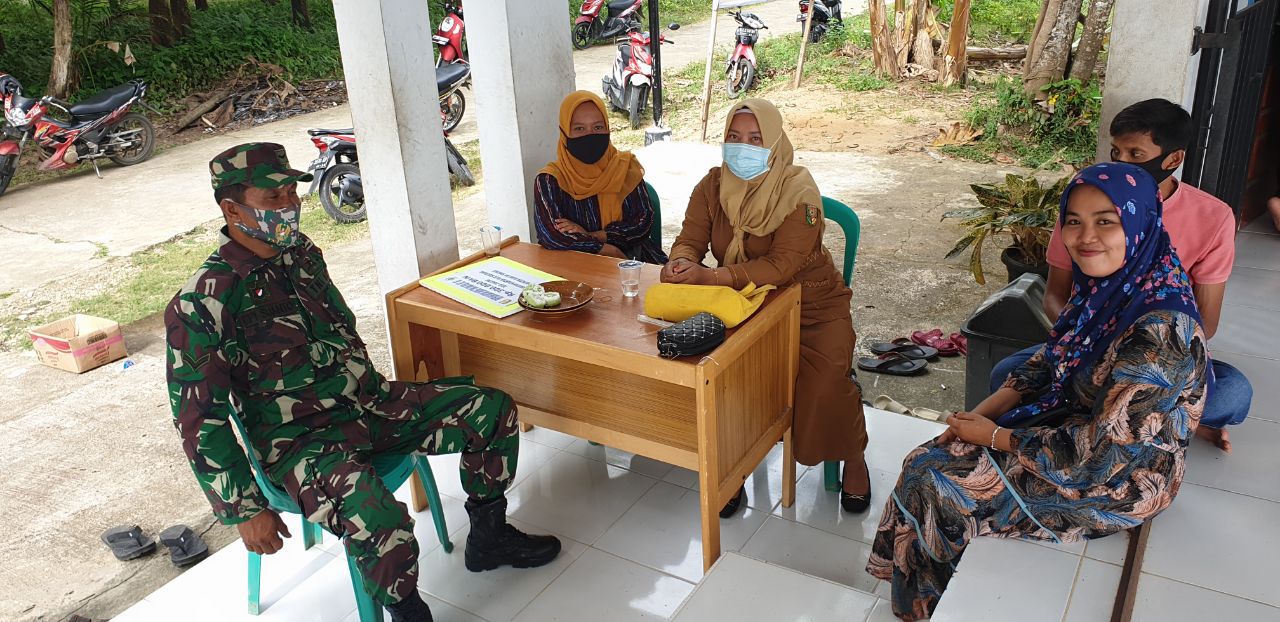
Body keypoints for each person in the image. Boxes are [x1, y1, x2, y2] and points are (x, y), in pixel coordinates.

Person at [166, 143, 561, 622]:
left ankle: (489, 537)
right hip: (303, 444)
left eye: (292, 192)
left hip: (369, 406)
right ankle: (407, 611)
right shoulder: (205, 299)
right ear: (231, 208)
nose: (290, 206)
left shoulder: (302, 256)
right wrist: (242, 508)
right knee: (379, 518)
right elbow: (197, 417)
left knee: (491, 409)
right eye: (273, 199)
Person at [869, 163, 1211, 622]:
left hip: (1122, 479)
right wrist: (979, 415)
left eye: (1106, 220)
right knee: (925, 457)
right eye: (1074, 220)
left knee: (939, 482)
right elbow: (1051, 358)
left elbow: (1098, 458)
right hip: (1076, 425)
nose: (1085, 236)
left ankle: (925, 607)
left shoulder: (1161, 333)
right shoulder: (1113, 286)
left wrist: (994, 436)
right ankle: (922, 594)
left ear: (1139, 222)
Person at [989, 98, 1250, 452]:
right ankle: (1139, 416)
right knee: (1008, 372)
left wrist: (1139, 361)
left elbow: (1205, 322)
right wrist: (1087, 345)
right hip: (1086, 340)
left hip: (1156, 347)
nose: (1122, 163)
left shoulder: (1213, 218)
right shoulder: (1086, 205)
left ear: (1173, 159)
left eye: (1135, 154)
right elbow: (1056, 295)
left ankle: (1129, 412)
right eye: (1116, 152)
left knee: (1232, 393)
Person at [661, 99, 870, 516]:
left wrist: (711, 277)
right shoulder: (712, 187)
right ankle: (733, 466)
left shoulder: (799, 194)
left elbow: (780, 266)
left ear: (774, 144)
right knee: (726, 379)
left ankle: (853, 455)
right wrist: (682, 260)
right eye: (734, 138)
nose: (743, 147)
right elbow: (690, 237)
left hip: (813, 307)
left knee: (826, 381)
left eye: (755, 139)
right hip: (743, 306)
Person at [533, 91, 668, 264]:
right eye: (579, 129)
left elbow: (642, 223)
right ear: (564, 133)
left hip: (635, 262)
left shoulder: (625, 168)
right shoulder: (550, 180)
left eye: (598, 127)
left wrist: (593, 236)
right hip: (576, 268)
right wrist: (606, 249)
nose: (590, 135)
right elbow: (552, 235)